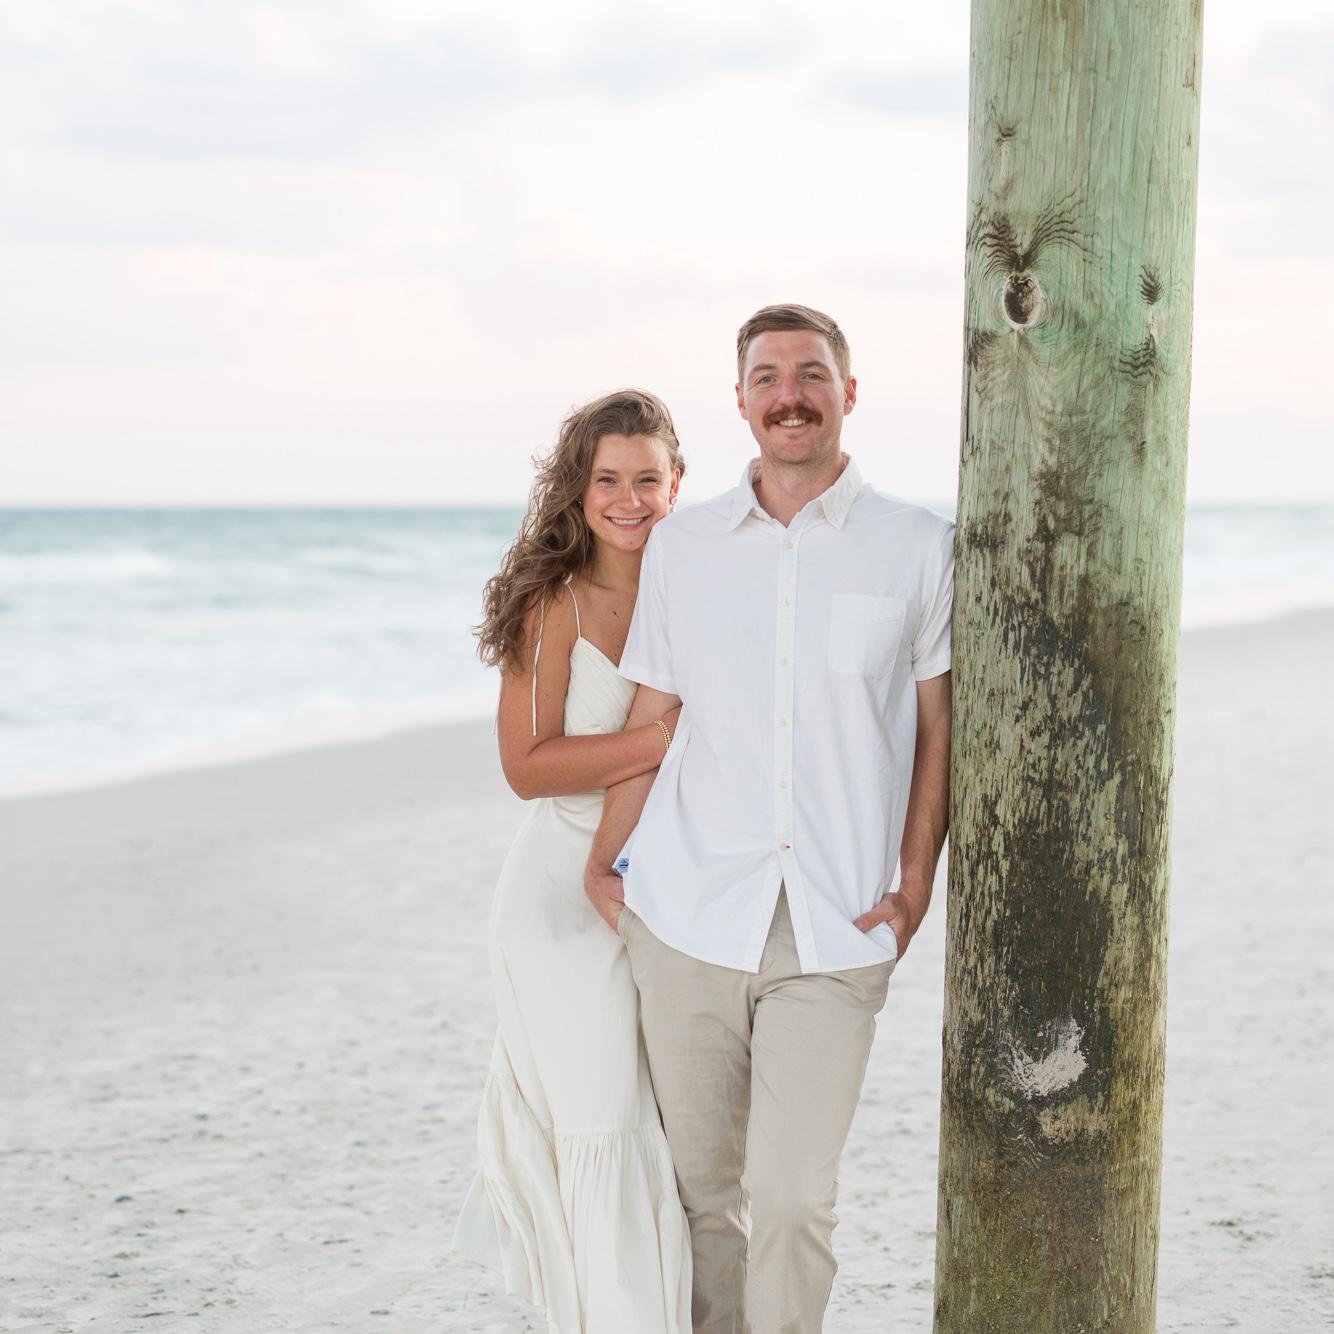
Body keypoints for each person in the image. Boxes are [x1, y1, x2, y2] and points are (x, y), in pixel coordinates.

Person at [584, 305, 954, 1333]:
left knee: (791, 1198)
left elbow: (937, 726)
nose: (789, 394)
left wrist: (916, 878)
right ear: (741, 400)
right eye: (767, 377)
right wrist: (605, 860)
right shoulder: (685, 545)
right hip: (688, 913)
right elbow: (653, 711)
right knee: (705, 1200)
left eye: (810, 373)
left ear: (848, 390)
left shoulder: (918, 546)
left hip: (836, 921)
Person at [454, 389, 692, 1334]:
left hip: (666, 885)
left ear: (677, 484)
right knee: (603, 1125)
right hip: (560, 898)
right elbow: (527, 768)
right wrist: (660, 741)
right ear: (577, 491)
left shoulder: (697, 588)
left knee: (657, 1131)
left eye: (647, 479)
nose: (629, 500)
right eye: (607, 480)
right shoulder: (553, 602)